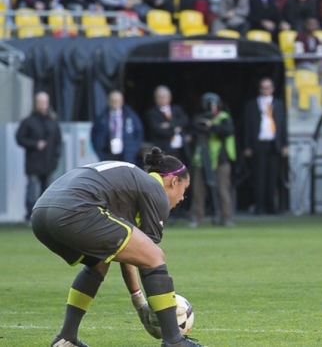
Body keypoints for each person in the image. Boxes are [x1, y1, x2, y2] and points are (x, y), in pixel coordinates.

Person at [31, 147, 205, 347]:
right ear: (174, 181)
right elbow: (144, 255)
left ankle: (66, 338)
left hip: (41, 214)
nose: (183, 197)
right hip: (74, 210)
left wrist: (138, 301)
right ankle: (174, 341)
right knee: (155, 257)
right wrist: (140, 304)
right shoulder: (154, 190)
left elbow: (128, 252)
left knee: (98, 264)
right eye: (185, 188)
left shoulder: (133, 182)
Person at [189, 93, 237, 227]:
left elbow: (228, 130)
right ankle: (196, 217)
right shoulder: (199, 117)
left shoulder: (223, 117)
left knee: (223, 189)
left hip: (220, 159)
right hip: (201, 159)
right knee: (198, 190)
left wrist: (211, 126)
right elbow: (195, 128)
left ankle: (226, 218)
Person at [242, 77, 288, 215]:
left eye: (268, 87)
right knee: (259, 177)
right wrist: (247, 146)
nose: (265, 90)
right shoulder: (251, 105)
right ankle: (259, 206)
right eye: (263, 87)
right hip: (258, 143)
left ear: (273, 89)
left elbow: (283, 126)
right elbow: (246, 127)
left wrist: (285, 144)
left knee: (272, 177)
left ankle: (271, 206)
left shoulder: (279, 105)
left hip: (274, 143)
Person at [15, 91, 62, 222]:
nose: (42, 105)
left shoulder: (53, 121)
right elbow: (19, 138)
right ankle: (31, 216)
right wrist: (35, 144)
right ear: (35, 104)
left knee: (48, 192)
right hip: (34, 163)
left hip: (49, 163)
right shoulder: (28, 121)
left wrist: (56, 157)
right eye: (40, 102)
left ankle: (45, 218)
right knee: (33, 190)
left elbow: (58, 141)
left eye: (44, 102)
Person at [91, 90, 145, 165]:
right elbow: (94, 134)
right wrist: (99, 151)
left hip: (126, 154)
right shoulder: (101, 117)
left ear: (122, 101)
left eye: (117, 101)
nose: (115, 103)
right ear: (108, 101)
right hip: (107, 153)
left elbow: (139, 132)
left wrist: (133, 149)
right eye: (112, 100)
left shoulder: (131, 115)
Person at [145, 85, 190, 164]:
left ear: (170, 97)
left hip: (181, 149)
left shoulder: (176, 109)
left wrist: (169, 124)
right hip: (164, 150)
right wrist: (176, 128)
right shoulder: (152, 113)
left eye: (164, 97)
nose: (162, 99)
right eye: (160, 97)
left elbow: (185, 120)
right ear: (155, 98)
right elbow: (158, 130)